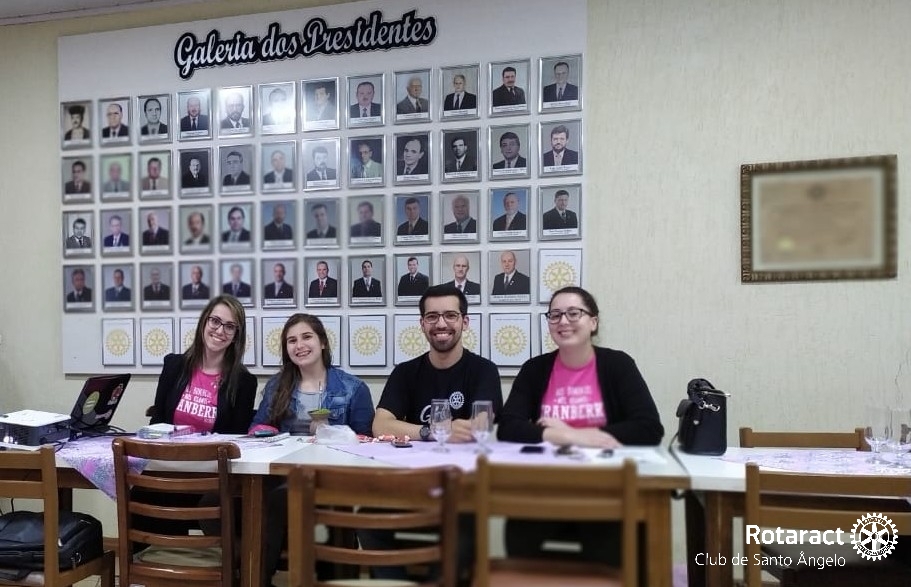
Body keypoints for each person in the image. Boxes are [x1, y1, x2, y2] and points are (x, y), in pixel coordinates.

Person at [497, 286, 664, 565]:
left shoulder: (618, 365)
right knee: (519, 537)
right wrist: (568, 436)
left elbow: (648, 428)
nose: (563, 321)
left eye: (574, 313)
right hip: (544, 490)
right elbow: (508, 427)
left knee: (610, 551)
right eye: (555, 315)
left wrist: (570, 433)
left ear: (593, 322)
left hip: (606, 491)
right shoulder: (535, 369)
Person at [364, 285, 503, 583]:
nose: (441, 323)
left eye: (450, 315)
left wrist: (421, 430)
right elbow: (381, 424)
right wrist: (432, 431)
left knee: (466, 519)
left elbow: (479, 425)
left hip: (459, 487)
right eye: (432, 316)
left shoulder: (484, 370)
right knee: (367, 517)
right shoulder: (405, 372)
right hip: (408, 483)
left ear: (465, 321)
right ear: (422, 324)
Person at [251, 313, 374, 586]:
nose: (299, 345)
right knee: (271, 497)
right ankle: (258, 578)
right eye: (291, 340)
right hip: (283, 475)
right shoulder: (276, 386)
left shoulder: (354, 388)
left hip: (335, 478)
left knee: (322, 503)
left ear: (322, 342)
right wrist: (271, 433)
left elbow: (367, 441)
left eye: (306, 337)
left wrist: (333, 433)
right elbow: (256, 429)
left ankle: (334, 576)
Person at [138, 295, 256, 541]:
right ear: (204, 322)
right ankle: (151, 562)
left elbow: (237, 441)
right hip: (168, 470)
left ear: (237, 335)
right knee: (141, 494)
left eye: (230, 326)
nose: (220, 330)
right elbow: (157, 422)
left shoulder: (244, 382)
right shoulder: (174, 366)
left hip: (212, 478)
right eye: (215, 321)